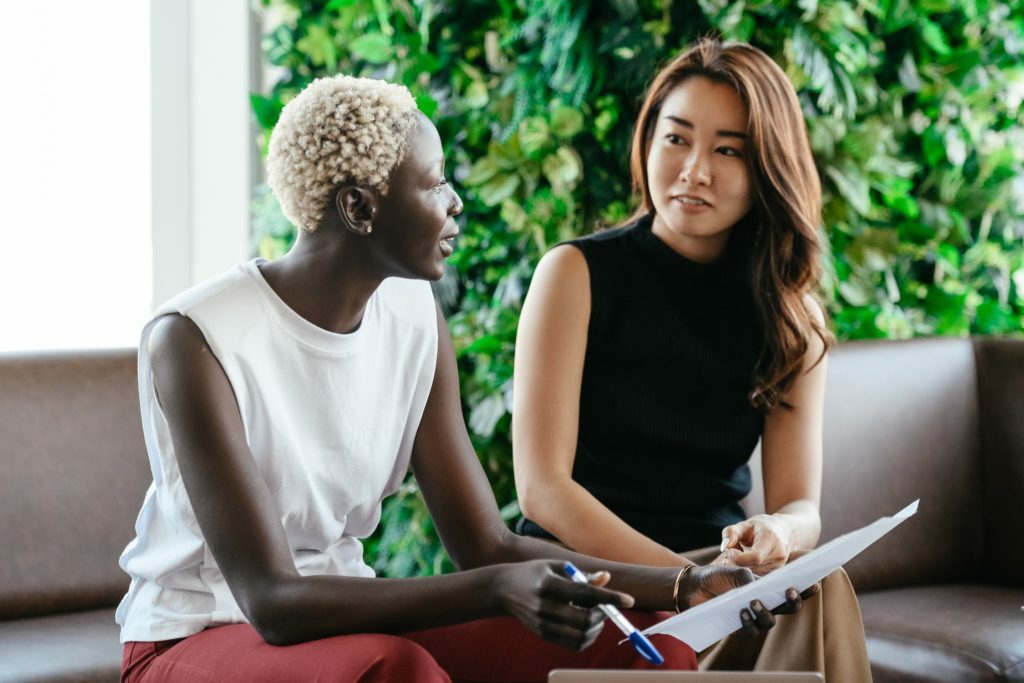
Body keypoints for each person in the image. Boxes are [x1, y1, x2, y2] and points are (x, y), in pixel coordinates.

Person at [114, 74, 805, 683]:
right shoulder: (196, 338)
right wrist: (495, 589)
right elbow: (273, 600)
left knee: (637, 647)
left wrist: (684, 585)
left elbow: (487, 543)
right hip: (195, 635)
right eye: (435, 181)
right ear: (359, 208)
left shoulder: (413, 313)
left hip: (335, 623)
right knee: (396, 668)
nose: (455, 203)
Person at [512, 39, 873, 678]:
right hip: (594, 574)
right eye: (676, 139)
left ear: (767, 167)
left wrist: (778, 536)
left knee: (819, 586)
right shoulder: (576, 274)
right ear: (648, 142)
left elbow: (800, 508)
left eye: (727, 150)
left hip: (717, 576)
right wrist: (687, 581)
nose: (694, 169)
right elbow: (543, 491)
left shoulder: (791, 319)